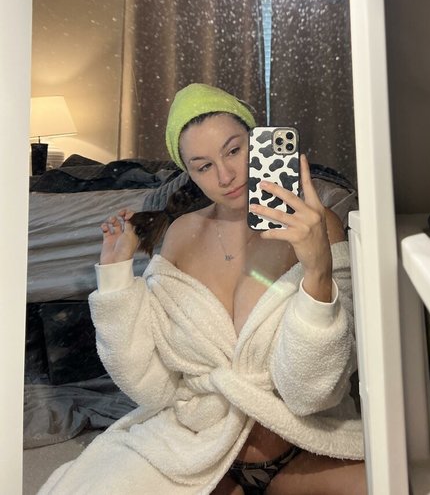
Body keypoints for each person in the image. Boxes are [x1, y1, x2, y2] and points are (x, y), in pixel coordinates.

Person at [39, 83, 366, 495]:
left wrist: (317, 270)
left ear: (257, 142)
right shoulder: (181, 235)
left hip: (305, 450)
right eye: (203, 166)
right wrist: (116, 276)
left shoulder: (316, 225)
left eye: (234, 151)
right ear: (189, 174)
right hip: (198, 451)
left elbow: (311, 394)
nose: (225, 176)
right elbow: (152, 386)